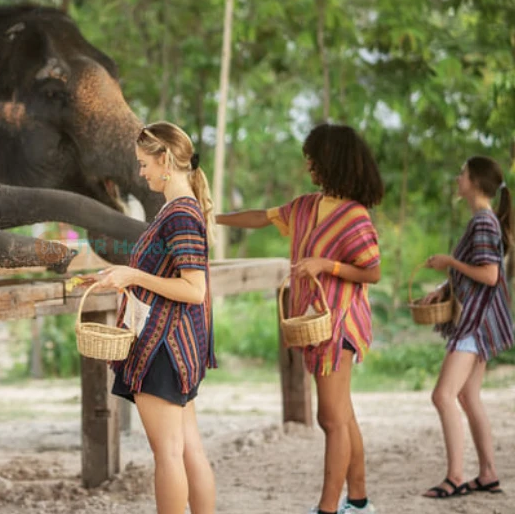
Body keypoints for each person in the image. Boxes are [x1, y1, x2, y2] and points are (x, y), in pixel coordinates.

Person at [215, 123, 383, 514]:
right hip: (315, 322)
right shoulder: (305, 206)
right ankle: (358, 502)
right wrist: (213, 218)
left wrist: (328, 265)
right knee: (342, 413)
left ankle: (327, 508)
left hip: (339, 321)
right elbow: (260, 217)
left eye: (315, 160)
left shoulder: (355, 218)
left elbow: (372, 272)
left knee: (330, 419)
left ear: (333, 163)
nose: (309, 167)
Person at [91, 121, 217, 514]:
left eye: (144, 163)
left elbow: (194, 289)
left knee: (168, 455)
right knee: (187, 448)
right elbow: (167, 277)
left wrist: (133, 275)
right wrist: (121, 278)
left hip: (165, 347)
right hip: (177, 346)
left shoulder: (179, 214)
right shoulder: (177, 211)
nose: (141, 172)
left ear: (165, 159)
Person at [420, 156, 513, 499]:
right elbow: (476, 275)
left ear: (474, 181)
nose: (457, 178)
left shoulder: (484, 223)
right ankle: (487, 473)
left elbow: (489, 275)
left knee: (442, 395)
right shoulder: (482, 221)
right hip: (480, 320)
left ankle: (455, 476)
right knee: (467, 396)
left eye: (462, 173)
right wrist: (443, 290)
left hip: (476, 324)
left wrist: (448, 262)